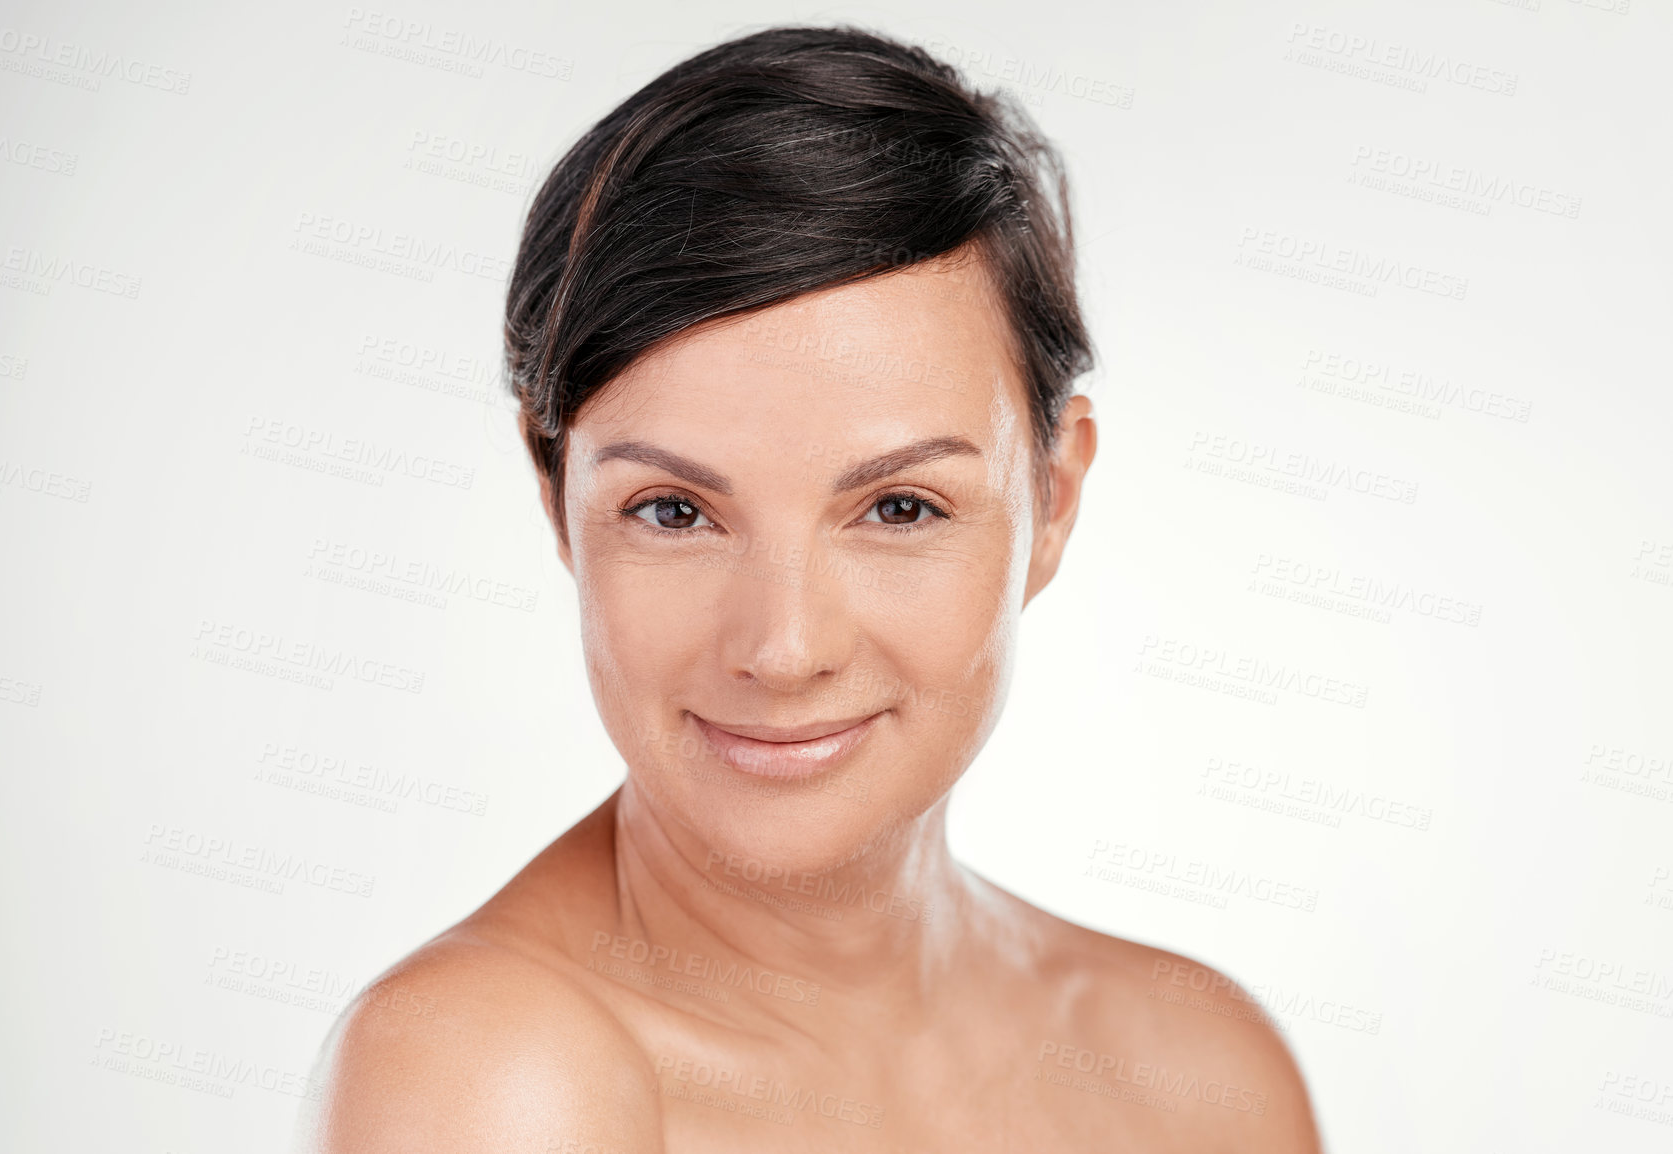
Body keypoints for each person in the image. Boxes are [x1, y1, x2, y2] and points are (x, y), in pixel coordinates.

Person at [299, 25, 1322, 1152]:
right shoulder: (488, 1079)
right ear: (558, 505)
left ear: (1055, 498)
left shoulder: (1198, 1071)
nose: (784, 648)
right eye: (675, 512)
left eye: (898, 508)